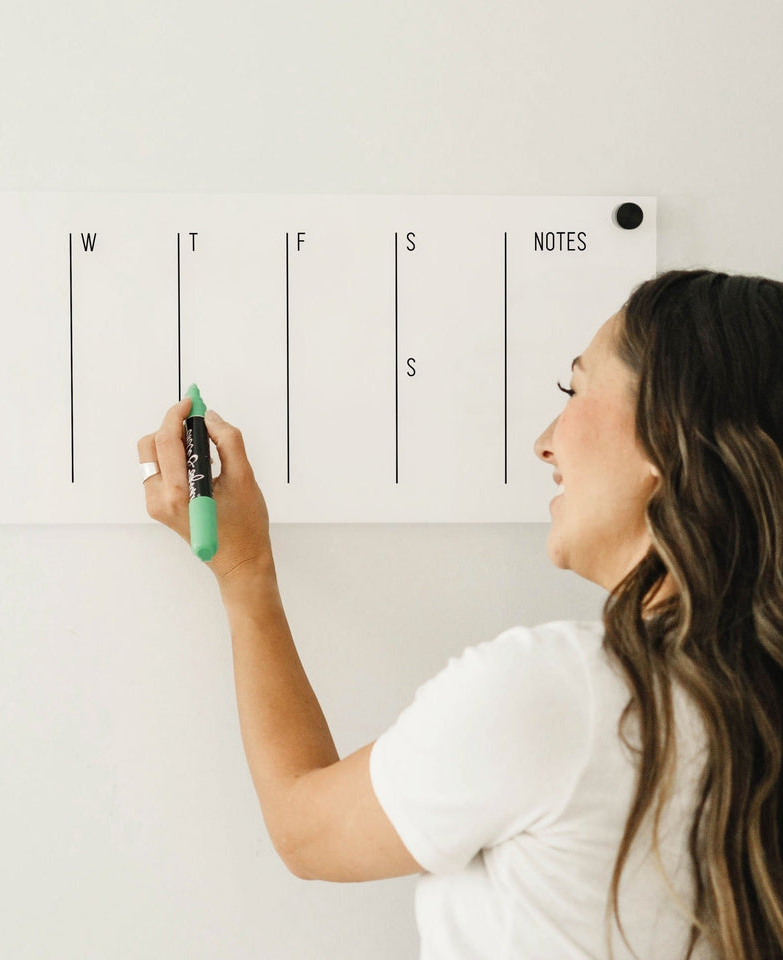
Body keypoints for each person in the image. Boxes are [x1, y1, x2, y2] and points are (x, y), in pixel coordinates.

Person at [137, 268, 783, 960]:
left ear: (665, 428)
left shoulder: (563, 693)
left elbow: (305, 830)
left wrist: (244, 572)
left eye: (574, 389)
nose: (543, 442)